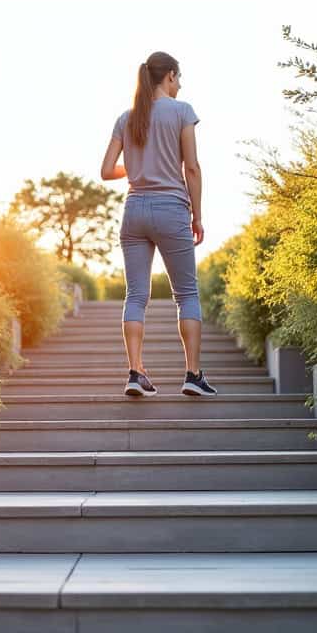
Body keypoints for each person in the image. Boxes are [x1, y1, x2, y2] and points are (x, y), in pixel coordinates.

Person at [100, 50, 217, 397]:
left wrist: (137, 170)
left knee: (136, 295)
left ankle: (135, 373)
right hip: (171, 209)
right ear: (169, 76)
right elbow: (191, 168)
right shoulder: (182, 112)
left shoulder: (126, 117)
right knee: (186, 294)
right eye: (178, 78)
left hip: (134, 209)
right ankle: (192, 375)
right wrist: (197, 216)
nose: (180, 85)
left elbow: (107, 171)